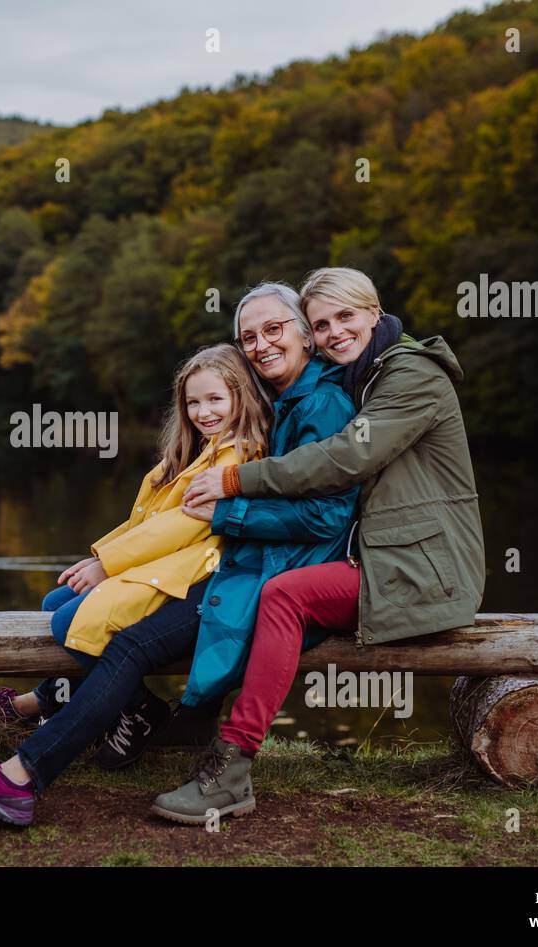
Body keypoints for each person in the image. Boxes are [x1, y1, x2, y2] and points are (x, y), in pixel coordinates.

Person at [0, 281, 356, 826]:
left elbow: (322, 517)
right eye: (249, 336)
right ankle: (65, 735)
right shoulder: (283, 405)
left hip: (268, 577)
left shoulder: (320, 404)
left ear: (305, 335)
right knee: (113, 635)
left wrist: (221, 512)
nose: (262, 344)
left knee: (126, 645)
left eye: (274, 329)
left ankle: (21, 774)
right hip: (243, 568)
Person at [152, 266, 485, 824]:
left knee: (286, 594)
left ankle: (230, 769)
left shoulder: (412, 377)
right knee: (254, 588)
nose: (334, 333)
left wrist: (237, 483)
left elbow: (344, 458)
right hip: (385, 558)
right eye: (322, 324)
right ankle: (188, 718)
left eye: (346, 317)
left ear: (375, 314)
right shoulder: (363, 375)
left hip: (426, 569)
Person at [0, 344, 269, 768]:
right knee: (54, 602)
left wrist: (109, 565)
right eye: (193, 402)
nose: (203, 412)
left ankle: (138, 710)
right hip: (159, 566)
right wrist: (97, 555)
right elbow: (143, 523)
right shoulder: (191, 452)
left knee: (67, 622)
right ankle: (54, 699)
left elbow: (185, 526)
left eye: (215, 400)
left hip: (188, 577)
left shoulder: (236, 456)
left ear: (241, 398)